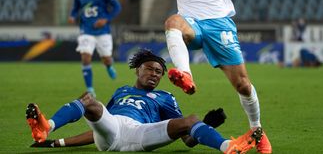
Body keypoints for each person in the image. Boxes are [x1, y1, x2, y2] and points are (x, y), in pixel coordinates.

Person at [116, 0, 272, 152]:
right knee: (172, 22)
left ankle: (257, 130)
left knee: (242, 85)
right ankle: (185, 75)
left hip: (219, 23)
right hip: (191, 22)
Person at [26, 49, 262, 153]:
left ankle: (227, 147)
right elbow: (98, 129)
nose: (155, 74)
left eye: (159, 72)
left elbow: (187, 141)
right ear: (138, 70)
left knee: (191, 119)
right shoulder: (121, 91)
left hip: (140, 134)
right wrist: (57, 143)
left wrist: (208, 124)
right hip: (111, 132)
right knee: (88, 100)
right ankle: (47, 127)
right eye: (150, 69)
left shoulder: (165, 97)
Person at [68, 0, 122, 96]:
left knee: (107, 59)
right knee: (85, 57)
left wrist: (106, 19)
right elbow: (75, 8)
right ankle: (90, 88)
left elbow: (116, 7)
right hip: (86, 31)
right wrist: (72, 16)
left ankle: (109, 66)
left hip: (103, 31)